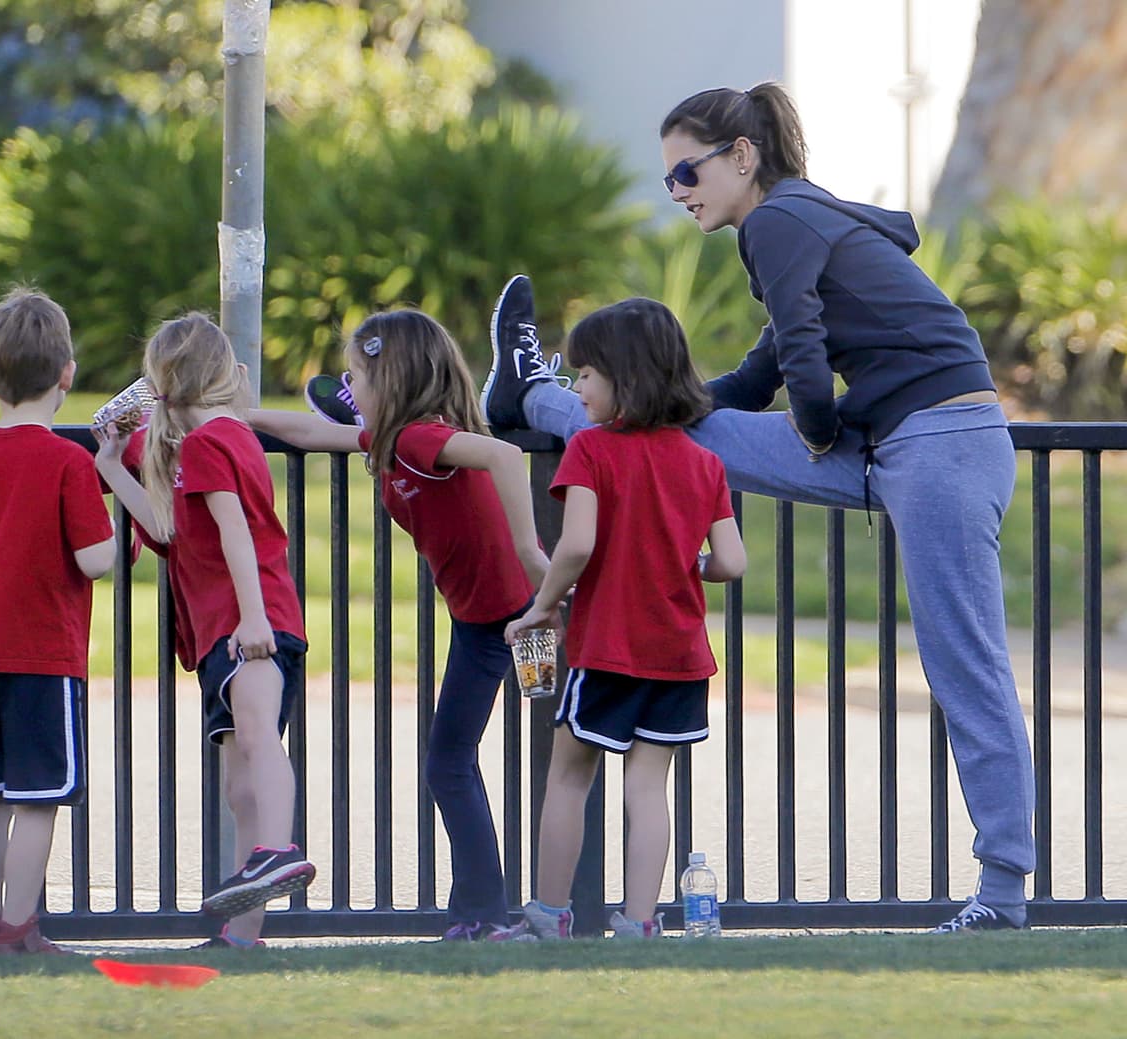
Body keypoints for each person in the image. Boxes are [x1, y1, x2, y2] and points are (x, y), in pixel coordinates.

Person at [481, 81, 1037, 934]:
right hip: (890, 442)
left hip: (941, 445)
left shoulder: (779, 222)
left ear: (744, 156)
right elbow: (752, 381)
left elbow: (808, 374)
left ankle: (1002, 895)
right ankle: (531, 392)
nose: (679, 193)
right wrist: (666, 405)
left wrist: (814, 433)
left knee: (966, 661)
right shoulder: (799, 226)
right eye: (668, 179)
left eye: (687, 172)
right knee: (675, 437)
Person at [287, 308, 549, 942]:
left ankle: (486, 917)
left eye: (355, 377)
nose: (346, 391)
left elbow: (508, 457)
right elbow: (313, 433)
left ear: (390, 378)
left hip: (513, 620)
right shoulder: (394, 439)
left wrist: (531, 555)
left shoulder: (416, 441)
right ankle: (491, 915)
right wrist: (227, 423)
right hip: (492, 621)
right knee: (536, 747)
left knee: (455, 763)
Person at [95, 313, 347, 949]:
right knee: (240, 783)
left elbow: (238, 531)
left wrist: (254, 616)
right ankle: (243, 931)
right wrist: (112, 466)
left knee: (260, 742)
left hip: (249, 625)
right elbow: (170, 533)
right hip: (226, 629)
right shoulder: (204, 444)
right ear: (226, 376)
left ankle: (278, 851)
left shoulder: (212, 443)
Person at [502, 297, 745, 940]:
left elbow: (577, 545)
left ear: (624, 375)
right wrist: (685, 565)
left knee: (569, 775)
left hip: (607, 646)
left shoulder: (591, 452)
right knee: (648, 786)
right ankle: (640, 921)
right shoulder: (705, 463)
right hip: (680, 655)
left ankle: (549, 916)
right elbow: (733, 561)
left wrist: (544, 603)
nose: (575, 387)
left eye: (585, 373)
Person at [0, 288, 117, 955]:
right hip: (43, 655)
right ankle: (18, 926)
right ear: (67, 373)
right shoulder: (69, 461)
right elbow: (96, 560)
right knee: (37, 798)